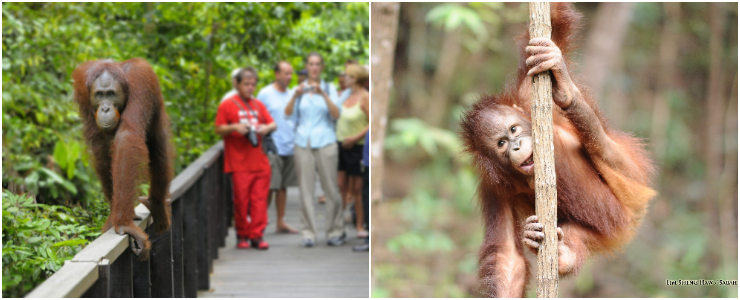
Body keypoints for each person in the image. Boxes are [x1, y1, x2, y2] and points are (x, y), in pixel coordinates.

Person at [285, 52, 345, 247]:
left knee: (331, 189)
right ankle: (308, 233)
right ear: (306, 66)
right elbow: (287, 115)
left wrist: (324, 95)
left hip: (326, 141)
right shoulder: (298, 90)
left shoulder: (329, 88)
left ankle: (335, 230)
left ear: (322, 67)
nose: (314, 67)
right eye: (311, 64)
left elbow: (336, 115)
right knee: (305, 190)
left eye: (318, 64)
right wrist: (295, 95)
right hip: (303, 142)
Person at [215, 67, 276, 250]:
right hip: (239, 162)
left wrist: (267, 128)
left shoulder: (258, 104)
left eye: (253, 84)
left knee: (259, 201)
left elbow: (272, 123)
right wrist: (234, 127)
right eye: (246, 84)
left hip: (260, 161)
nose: (250, 88)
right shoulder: (227, 104)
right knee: (241, 201)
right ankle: (242, 235)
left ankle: (257, 236)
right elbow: (218, 129)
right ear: (237, 84)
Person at [256, 61, 299, 234]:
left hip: (290, 145)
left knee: (283, 186)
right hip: (272, 145)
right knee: (269, 185)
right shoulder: (265, 94)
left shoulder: (292, 94)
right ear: (277, 74)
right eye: (285, 73)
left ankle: (281, 221)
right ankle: (261, 222)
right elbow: (257, 116)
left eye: (290, 73)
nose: (289, 77)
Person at [336, 64, 369, 238]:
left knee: (357, 189)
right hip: (341, 145)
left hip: (356, 146)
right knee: (341, 185)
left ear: (355, 78)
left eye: (347, 76)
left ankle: (359, 226)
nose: (344, 78)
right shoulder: (343, 96)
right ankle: (339, 224)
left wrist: (355, 138)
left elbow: (372, 122)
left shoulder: (365, 98)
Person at [352, 133, 370, 252]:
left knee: (367, 198)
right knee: (365, 197)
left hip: (369, 161)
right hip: (367, 160)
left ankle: (369, 239)